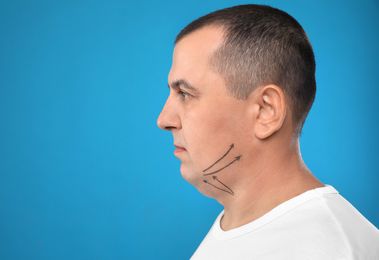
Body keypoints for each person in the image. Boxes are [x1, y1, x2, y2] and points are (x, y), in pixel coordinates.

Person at [157, 4, 379, 259]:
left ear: (265, 111)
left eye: (185, 93)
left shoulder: (328, 249)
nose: (163, 120)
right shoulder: (241, 227)